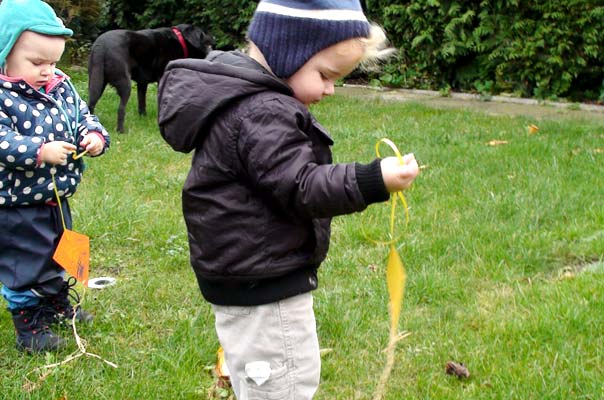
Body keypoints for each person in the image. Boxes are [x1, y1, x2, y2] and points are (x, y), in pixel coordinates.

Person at [158, 0, 419, 398]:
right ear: (288, 52)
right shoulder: (262, 110)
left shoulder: (244, 98)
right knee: (284, 384)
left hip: (246, 275)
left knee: (266, 378)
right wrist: (373, 179)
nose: (330, 89)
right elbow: (302, 186)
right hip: (264, 284)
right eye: (325, 74)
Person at [0, 0, 110, 353]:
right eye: (37, 62)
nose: (49, 71)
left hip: (56, 197)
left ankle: (57, 304)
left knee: (59, 252)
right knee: (26, 262)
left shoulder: (60, 86)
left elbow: (83, 116)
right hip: (16, 205)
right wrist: (38, 150)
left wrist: (94, 136)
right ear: (4, 51)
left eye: (54, 62)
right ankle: (29, 324)